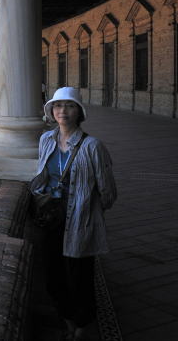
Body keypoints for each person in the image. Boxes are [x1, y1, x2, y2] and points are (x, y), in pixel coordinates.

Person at [30, 87, 117, 340]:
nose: (62, 111)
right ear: (51, 111)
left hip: (79, 220)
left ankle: (81, 325)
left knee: (79, 277)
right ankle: (68, 319)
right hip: (50, 219)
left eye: (69, 106)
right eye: (58, 106)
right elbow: (41, 173)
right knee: (52, 275)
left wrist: (86, 209)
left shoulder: (93, 147)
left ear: (79, 111)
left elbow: (108, 192)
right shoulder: (46, 139)